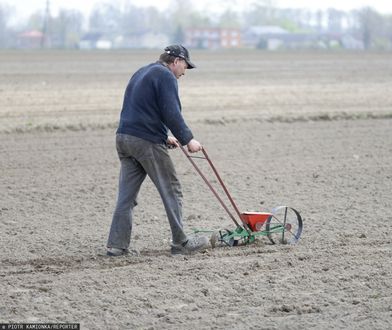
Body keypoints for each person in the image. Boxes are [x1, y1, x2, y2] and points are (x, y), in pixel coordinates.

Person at [107, 45, 209, 256]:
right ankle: (181, 243)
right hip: (145, 141)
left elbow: (144, 108)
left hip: (124, 138)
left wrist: (163, 137)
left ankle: (117, 246)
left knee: (126, 197)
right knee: (171, 188)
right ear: (176, 61)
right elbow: (171, 112)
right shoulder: (166, 76)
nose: (184, 72)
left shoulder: (143, 71)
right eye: (185, 67)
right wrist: (188, 139)